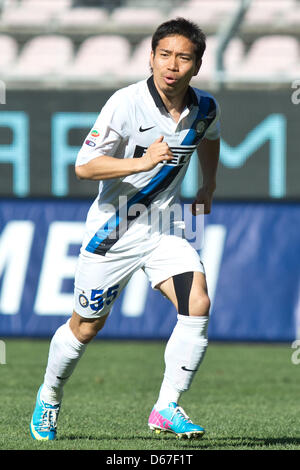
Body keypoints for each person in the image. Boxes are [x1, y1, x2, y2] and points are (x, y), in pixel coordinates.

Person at [30, 17, 220, 441]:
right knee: (85, 327)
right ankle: (50, 394)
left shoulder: (205, 107)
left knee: (199, 303)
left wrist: (208, 185)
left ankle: (167, 407)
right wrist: (141, 161)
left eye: (183, 57)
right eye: (165, 55)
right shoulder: (125, 102)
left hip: (168, 225)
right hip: (113, 231)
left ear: (197, 64)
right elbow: (84, 166)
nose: (172, 65)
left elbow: (210, 136)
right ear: (151, 57)